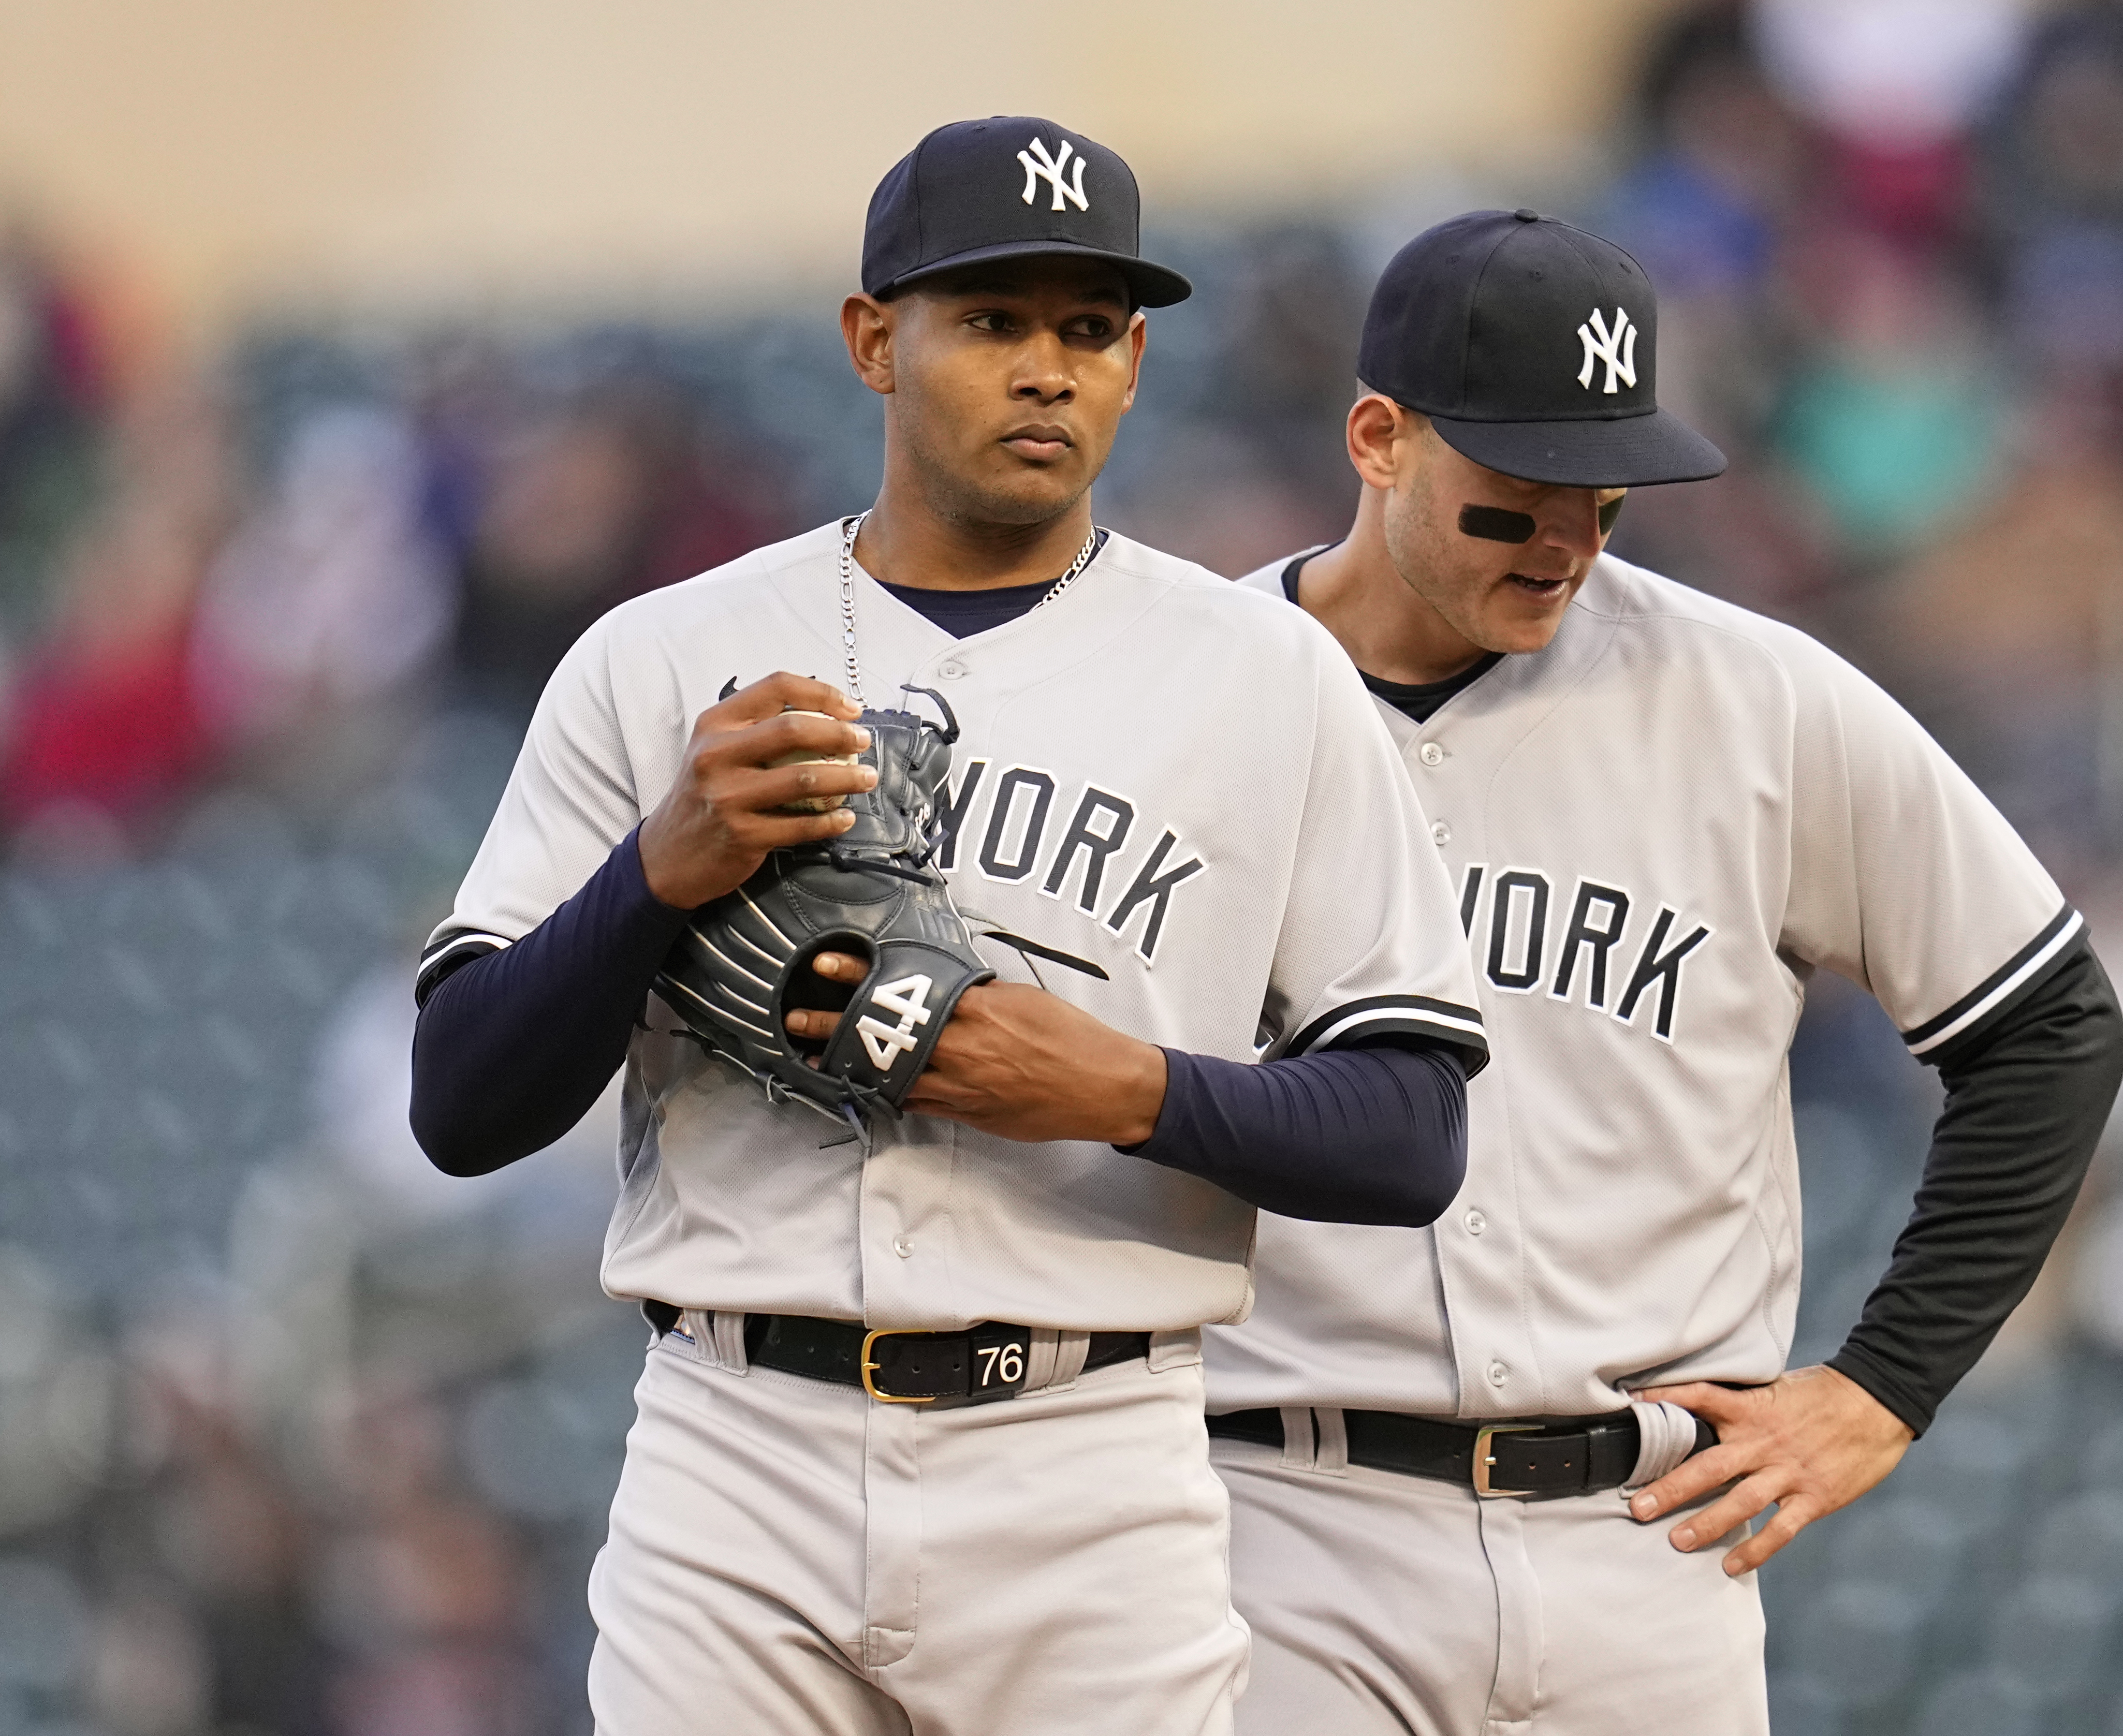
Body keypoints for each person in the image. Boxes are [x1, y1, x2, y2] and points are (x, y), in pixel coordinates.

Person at [407, 119, 1489, 1736]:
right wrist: (657, 873)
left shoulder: (1265, 679)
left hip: (1088, 1470)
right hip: (735, 1458)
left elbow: (1413, 1127)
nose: (1046, 369)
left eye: (1088, 328)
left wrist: (1119, 1087)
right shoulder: (663, 657)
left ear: (1134, 362)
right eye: (991, 321)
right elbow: (462, 1103)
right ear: (873, 341)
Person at [1206, 209, 2123, 1733]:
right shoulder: (1186, 693)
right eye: (1520, 491)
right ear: (1378, 438)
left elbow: (2048, 1023)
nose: (1568, 537)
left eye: (1605, 491)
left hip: (1643, 1542)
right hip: (1279, 1532)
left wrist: (1884, 1382)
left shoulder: (1754, 701)